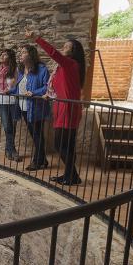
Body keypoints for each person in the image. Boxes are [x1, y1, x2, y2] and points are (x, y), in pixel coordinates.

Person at [25, 30, 86, 185]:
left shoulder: (70, 64)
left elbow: (53, 53)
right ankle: (71, 175)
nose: (63, 48)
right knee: (67, 145)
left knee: (60, 144)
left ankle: (71, 175)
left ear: (73, 51)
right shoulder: (65, 67)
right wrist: (49, 94)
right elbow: (61, 87)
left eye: (66, 47)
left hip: (67, 109)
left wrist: (36, 38)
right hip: (64, 107)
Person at [15, 45, 51, 171]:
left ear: (31, 55)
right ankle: (43, 160)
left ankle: (37, 161)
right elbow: (20, 87)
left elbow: (47, 87)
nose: (21, 54)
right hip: (24, 107)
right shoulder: (21, 70)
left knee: (37, 135)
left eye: (24, 52)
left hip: (36, 107)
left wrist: (34, 92)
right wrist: (11, 90)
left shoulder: (41, 69)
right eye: (21, 51)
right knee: (35, 134)